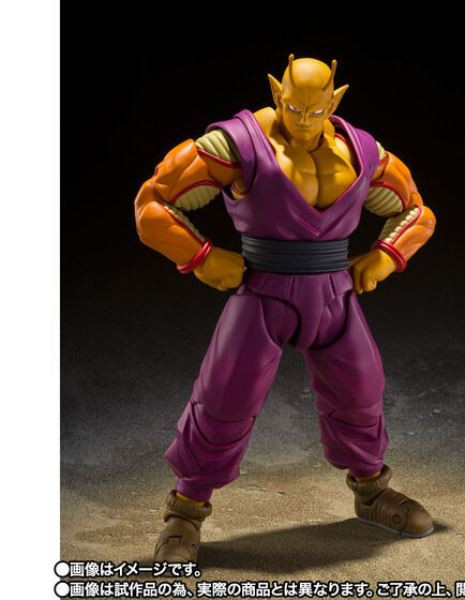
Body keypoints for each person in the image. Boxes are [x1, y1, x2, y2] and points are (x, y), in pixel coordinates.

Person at [134, 55, 437, 562]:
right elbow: (152, 204)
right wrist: (202, 257)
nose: (304, 119)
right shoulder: (236, 145)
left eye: (316, 110)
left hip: (333, 292)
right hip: (263, 290)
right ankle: (186, 509)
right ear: (277, 92)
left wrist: (385, 256)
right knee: (225, 395)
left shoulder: (363, 152)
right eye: (294, 107)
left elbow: (417, 210)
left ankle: (371, 491)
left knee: (362, 389)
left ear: (335, 100)